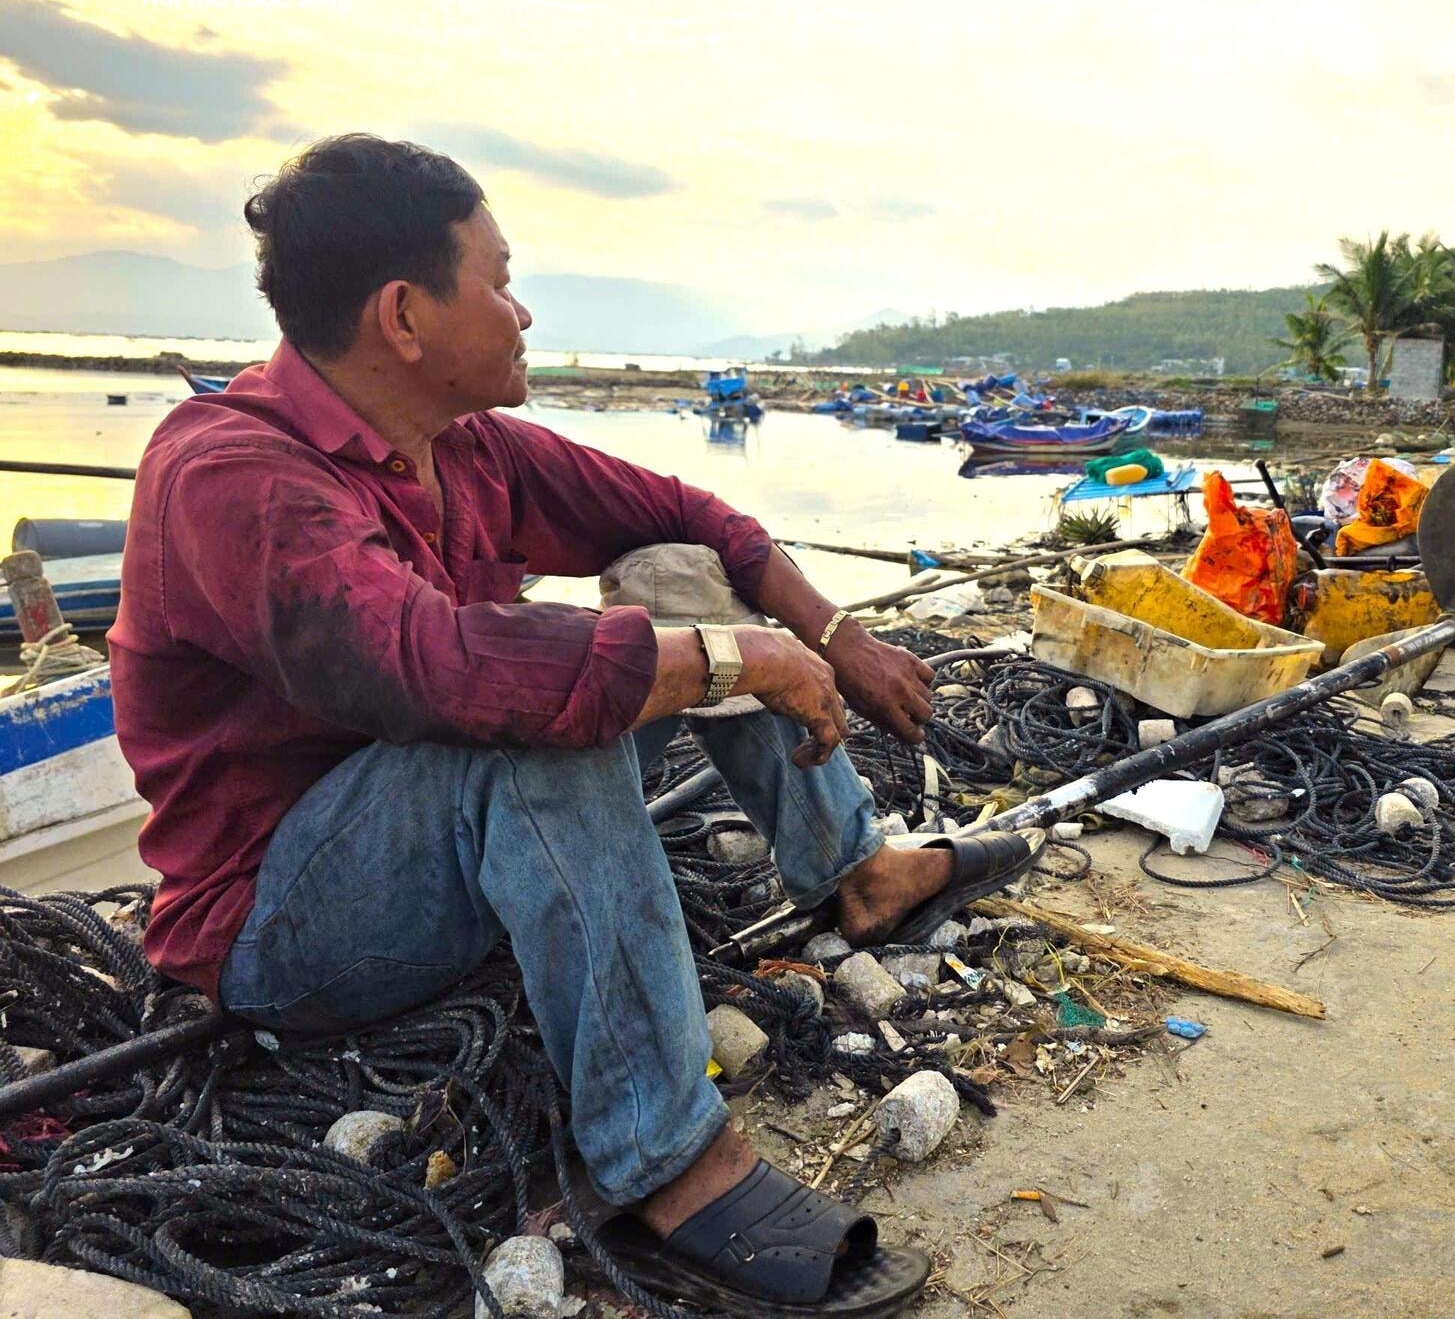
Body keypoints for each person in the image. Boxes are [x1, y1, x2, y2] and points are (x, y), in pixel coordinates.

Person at [108, 134, 1038, 1315]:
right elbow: (435, 670)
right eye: (498, 281)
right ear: (405, 314)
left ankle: (855, 868)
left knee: (671, 569)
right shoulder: (231, 473)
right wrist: (737, 658)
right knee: (539, 723)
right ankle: (662, 1158)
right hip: (282, 926)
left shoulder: (464, 447)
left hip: (434, 852)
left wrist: (830, 636)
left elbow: (693, 516)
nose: (523, 310)